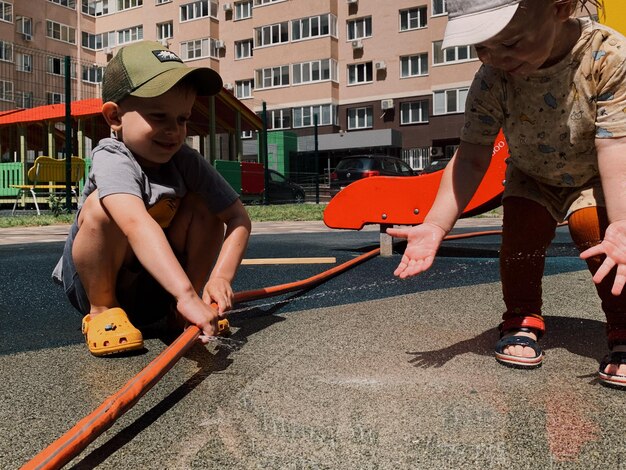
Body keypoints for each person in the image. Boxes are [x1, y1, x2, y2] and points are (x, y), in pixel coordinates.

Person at [387, 0, 626, 388]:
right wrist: (435, 223)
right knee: (520, 237)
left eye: (510, 43)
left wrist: (623, 222)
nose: (495, 58)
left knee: (604, 239)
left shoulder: (608, 57)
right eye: (481, 47)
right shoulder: (493, 76)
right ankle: (521, 316)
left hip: (596, 176)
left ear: (560, 8)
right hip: (531, 175)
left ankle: (623, 328)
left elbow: (616, 147)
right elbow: (472, 155)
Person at [52, 41, 251, 357]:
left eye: (182, 119)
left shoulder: (185, 160)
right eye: (159, 116)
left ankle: (178, 312)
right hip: (102, 282)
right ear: (114, 116)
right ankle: (103, 311)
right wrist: (185, 292)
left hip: (157, 288)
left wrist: (218, 279)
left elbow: (238, 218)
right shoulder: (112, 156)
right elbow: (134, 222)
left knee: (206, 207)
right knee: (102, 208)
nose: (173, 131)